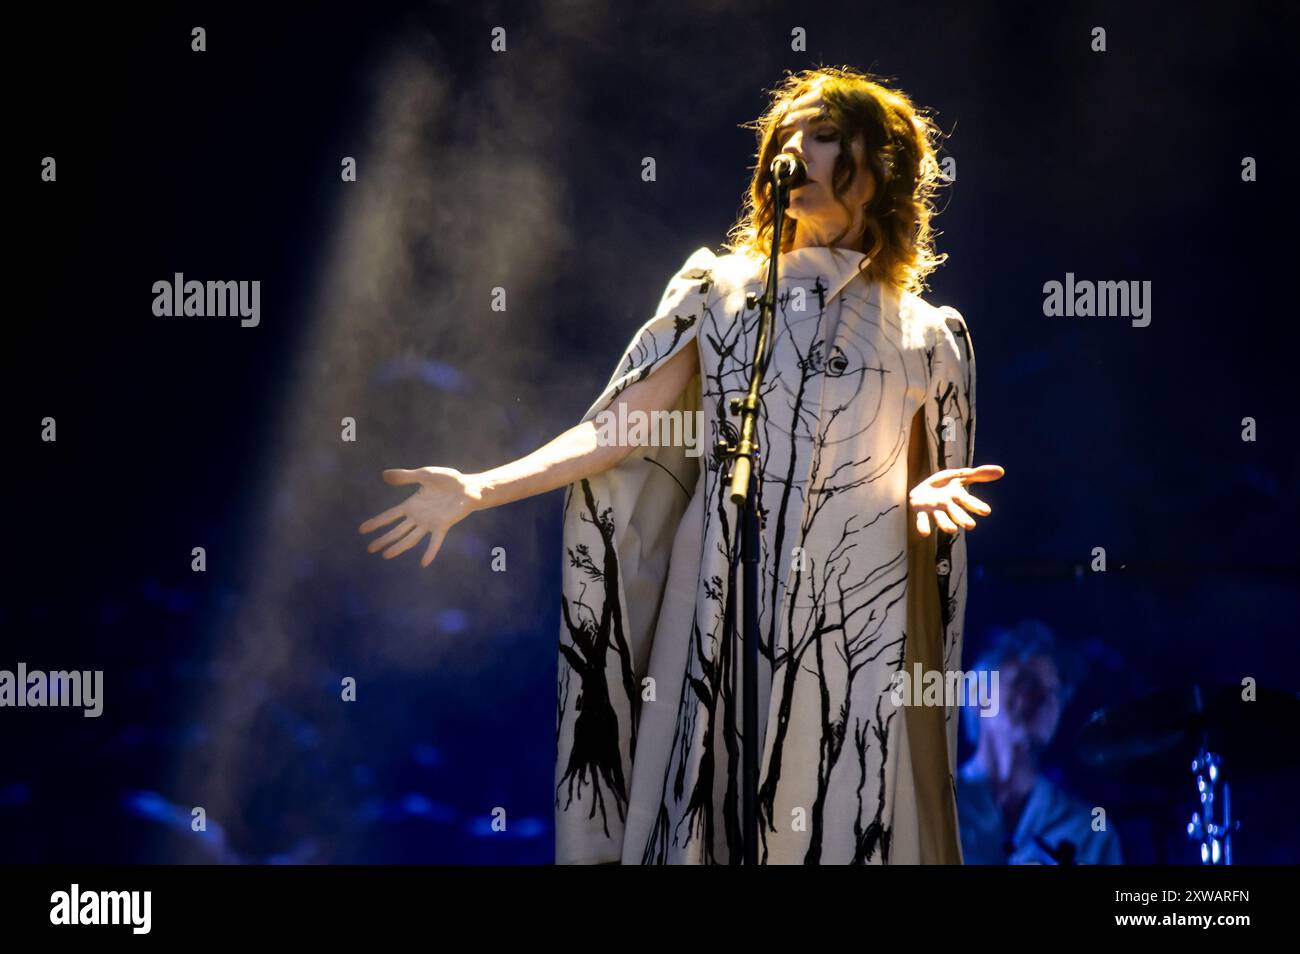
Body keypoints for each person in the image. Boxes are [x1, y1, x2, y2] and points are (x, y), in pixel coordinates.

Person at [360, 66, 1005, 864]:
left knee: (831, 818)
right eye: (790, 132)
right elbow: (617, 430)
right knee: (709, 807)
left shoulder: (927, 335)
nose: (797, 146)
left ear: (881, 168)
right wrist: (477, 489)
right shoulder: (722, 291)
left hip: (851, 621)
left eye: (827, 134)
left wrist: (920, 500)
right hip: (722, 594)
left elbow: (925, 512)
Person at [957, 620, 1123, 864]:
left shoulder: (1089, 831)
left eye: (1055, 692)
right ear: (979, 694)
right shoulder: (928, 806)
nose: (1045, 698)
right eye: (1027, 681)